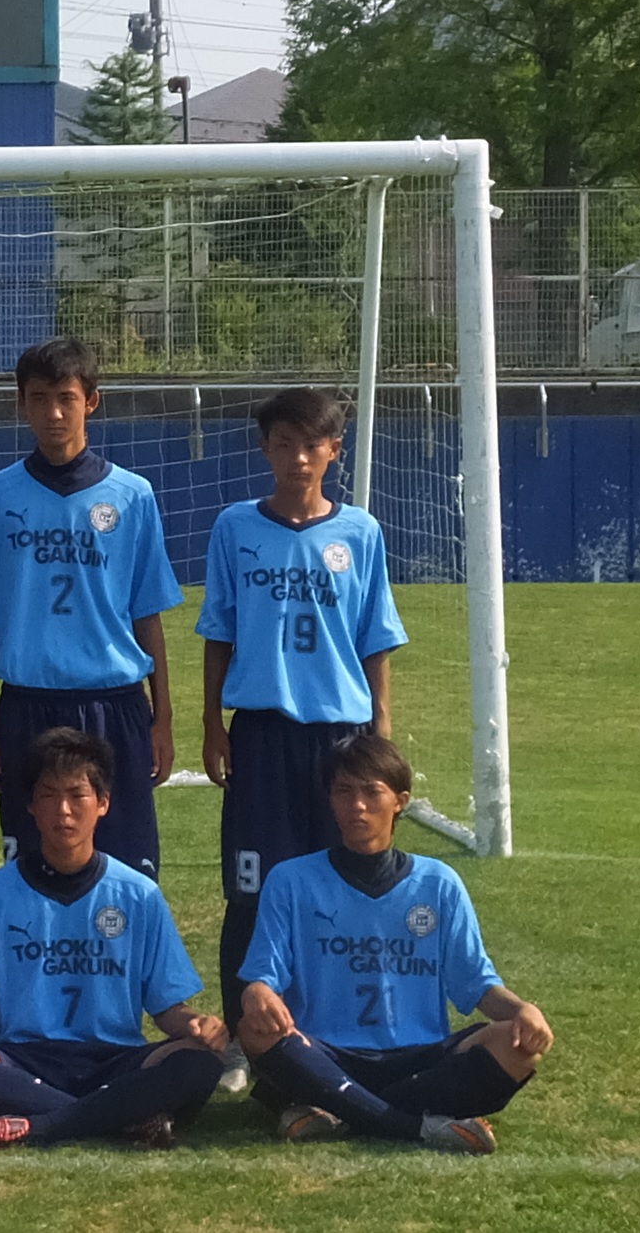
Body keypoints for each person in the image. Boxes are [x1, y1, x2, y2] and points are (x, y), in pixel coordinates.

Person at [201, 388, 407, 1038]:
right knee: (251, 890)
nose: (297, 457)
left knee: (340, 887)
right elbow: (218, 633)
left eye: (311, 444)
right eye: (283, 443)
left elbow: (374, 638)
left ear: (333, 450)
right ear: (264, 448)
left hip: (339, 739)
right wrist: (211, 722)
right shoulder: (235, 527)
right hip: (261, 734)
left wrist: (381, 730)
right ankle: (242, 1037)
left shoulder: (360, 532)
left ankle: (330, 1026)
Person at [238, 735, 550, 1155]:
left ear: (400, 801)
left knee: (516, 1048)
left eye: (372, 792)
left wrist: (522, 1010)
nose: (357, 806)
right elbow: (262, 975)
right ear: (329, 799)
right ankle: (412, 1125)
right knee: (253, 1032)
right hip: (327, 1055)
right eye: (344, 792)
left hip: (420, 1057)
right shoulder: (291, 880)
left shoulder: (438, 882)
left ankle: (332, 1109)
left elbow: (476, 984)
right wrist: (257, 993)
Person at [0, 727, 227, 1150]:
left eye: (77, 795)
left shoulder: (138, 894)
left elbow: (166, 1009)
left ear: (103, 803)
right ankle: (125, 1117)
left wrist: (198, 1024)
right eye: (49, 795)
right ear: (30, 806)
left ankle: (35, 1124)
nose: (63, 810)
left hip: (114, 1058)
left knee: (201, 1059)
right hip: (22, 1057)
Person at [0, 336, 184, 877]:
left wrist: (163, 715)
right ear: (22, 405)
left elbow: (145, 612)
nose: (53, 413)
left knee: (129, 870)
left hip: (114, 705)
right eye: (39, 398)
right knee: (32, 871)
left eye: (66, 397)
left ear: (92, 401)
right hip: (27, 706)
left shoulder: (133, 496)